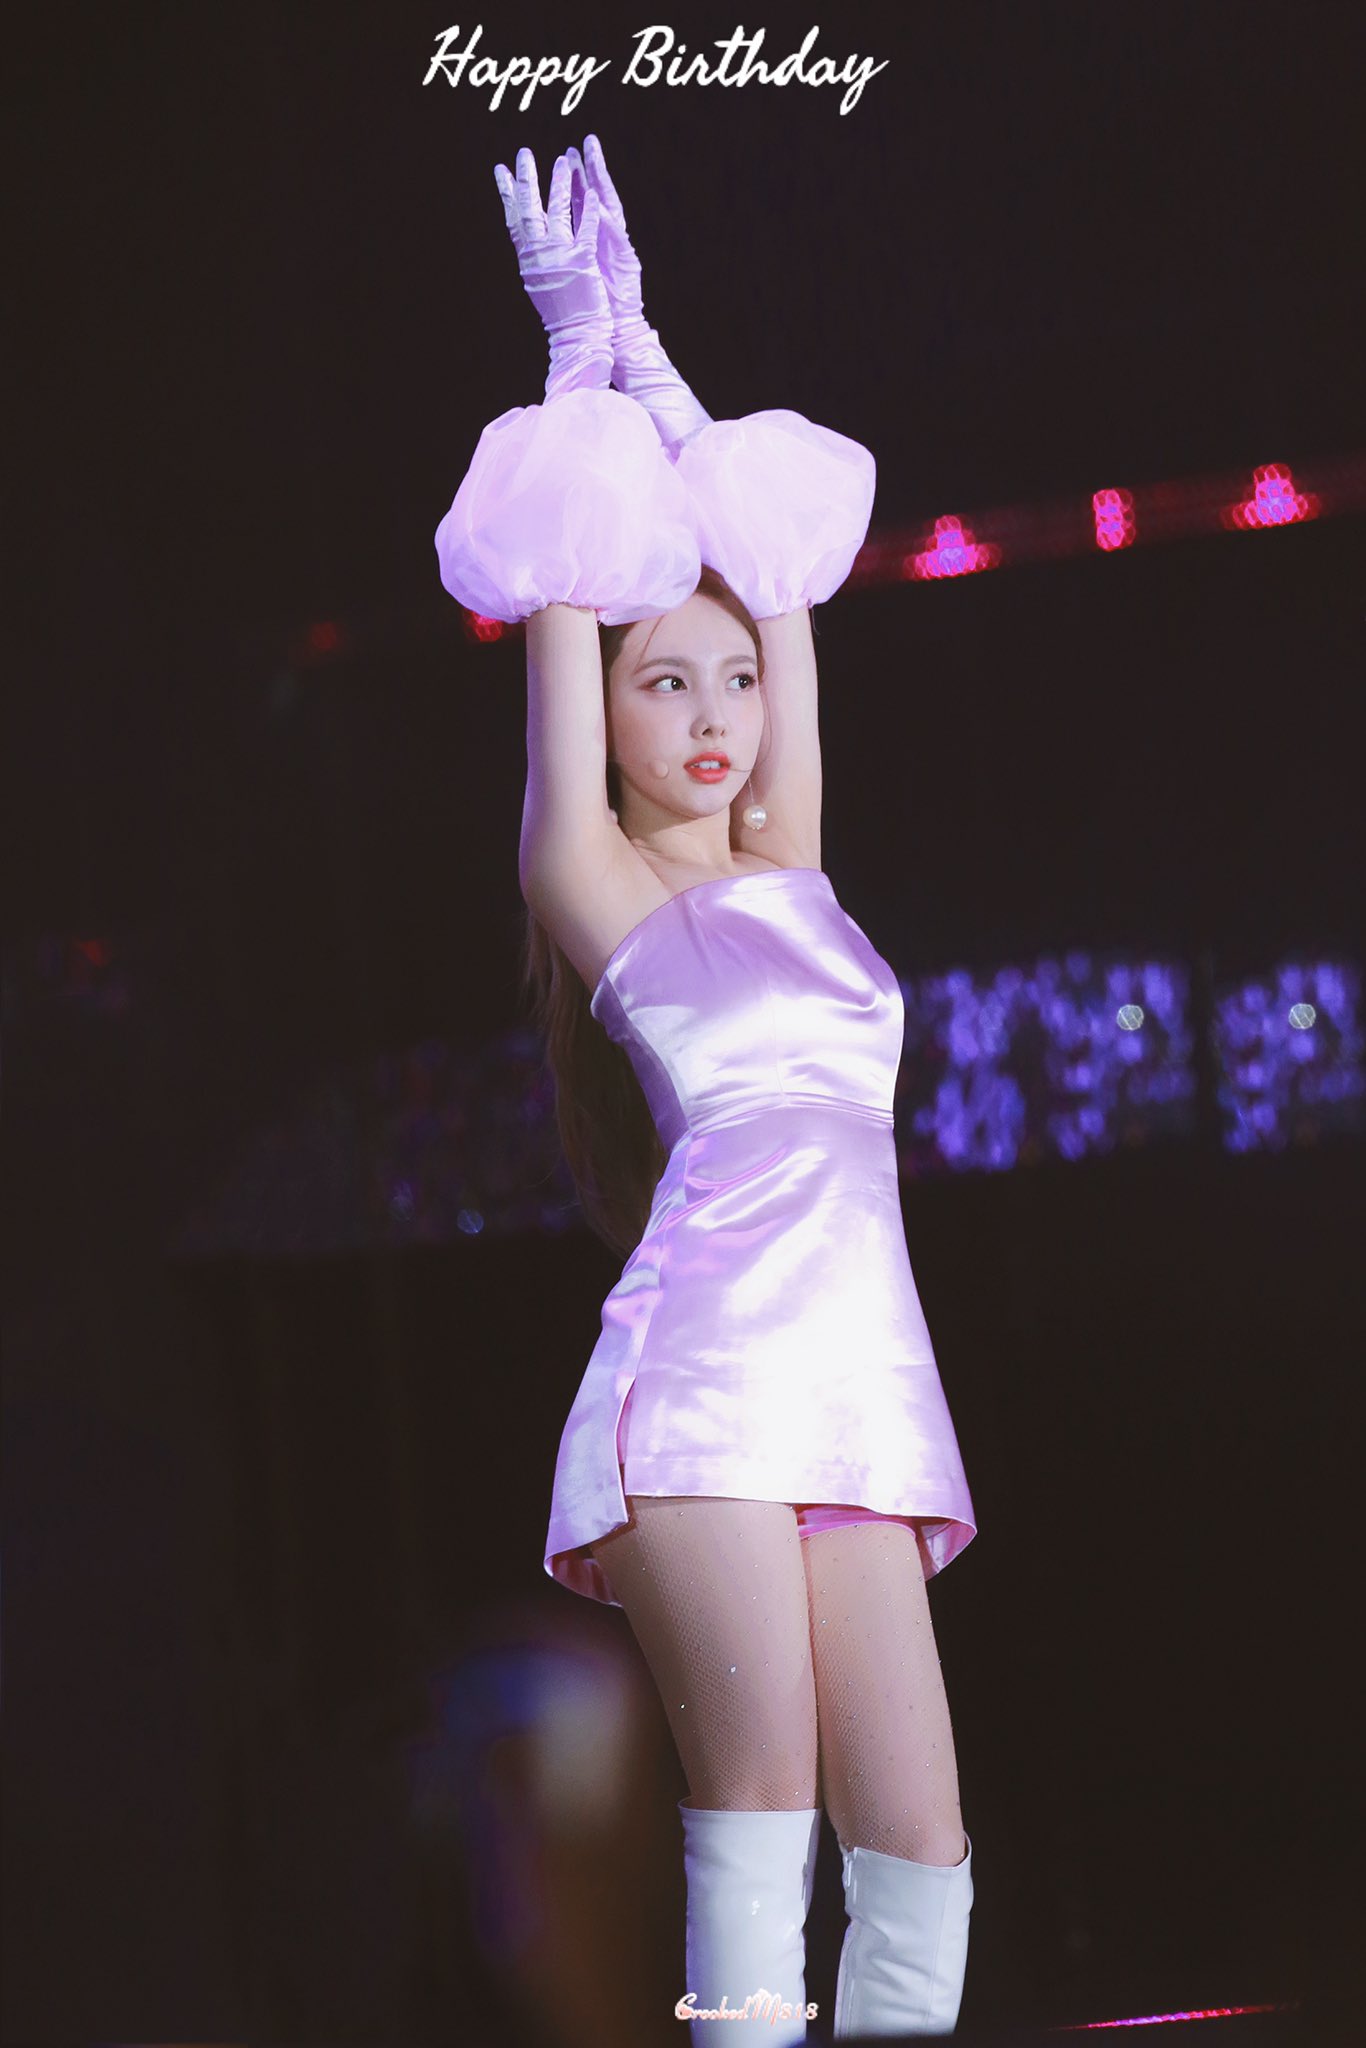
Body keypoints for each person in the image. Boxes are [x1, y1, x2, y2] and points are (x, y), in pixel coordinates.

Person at [436, 134, 978, 2043]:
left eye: (730, 682)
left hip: (860, 1382)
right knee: (760, 1811)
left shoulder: (790, 869)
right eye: (664, 682)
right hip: (708, 1381)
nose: (714, 713)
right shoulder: (596, 886)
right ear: (606, 710)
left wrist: (660, 360)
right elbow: (562, 600)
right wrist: (573, 364)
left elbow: (780, 588)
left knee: (921, 1848)